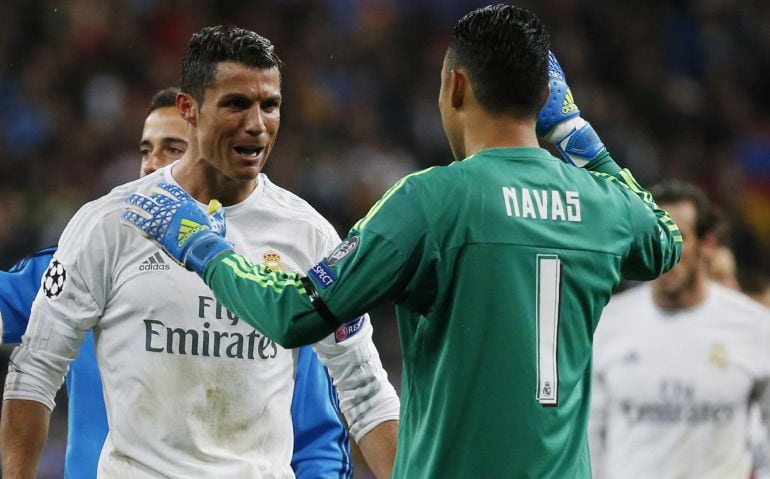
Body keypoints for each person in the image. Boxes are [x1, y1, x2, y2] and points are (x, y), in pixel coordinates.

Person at [122, 5, 682, 477]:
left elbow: (297, 312)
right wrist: (577, 136)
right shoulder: (602, 204)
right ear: (544, 97)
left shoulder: (431, 202)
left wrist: (204, 246)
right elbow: (665, 239)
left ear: (455, 86)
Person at [1, 27, 400, 478]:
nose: (257, 124)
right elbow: (35, 370)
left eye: (270, 105)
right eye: (236, 104)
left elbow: (365, 393)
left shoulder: (307, 236)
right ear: (189, 109)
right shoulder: (113, 222)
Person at [588, 179, 770, 479]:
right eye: (653, 237)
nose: (664, 252)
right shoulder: (607, 323)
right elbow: (590, 434)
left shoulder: (754, 327)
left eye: (677, 238)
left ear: (708, 245)